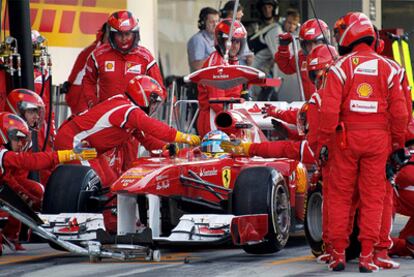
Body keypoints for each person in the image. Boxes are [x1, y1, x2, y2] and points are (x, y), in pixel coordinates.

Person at [317, 12, 408, 273]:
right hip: (379, 142)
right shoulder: (392, 68)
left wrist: (324, 141)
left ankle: (337, 254)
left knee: (339, 197)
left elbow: (329, 111)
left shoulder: (339, 66)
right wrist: (398, 145)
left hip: (344, 140)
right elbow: (401, 113)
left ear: (350, 33)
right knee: (374, 198)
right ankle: (367, 256)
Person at [55, 75, 200, 187]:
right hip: (74, 142)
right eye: (153, 102)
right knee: (92, 184)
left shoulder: (127, 107)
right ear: (144, 96)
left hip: (89, 147)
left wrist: (163, 147)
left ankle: (111, 223)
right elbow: (151, 126)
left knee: (110, 184)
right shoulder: (128, 110)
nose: (154, 107)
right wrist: (183, 137)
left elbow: (145, 138)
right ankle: (86, 222)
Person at [0, 112, 96, 255]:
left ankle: (10, 236)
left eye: (23, 140)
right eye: (17, 139)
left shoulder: (6, 155)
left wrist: (36, 203)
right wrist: (71, 154)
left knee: (35, 190)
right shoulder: (3, 154)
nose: (21, 144)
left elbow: (11, 185)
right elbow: (31, 161)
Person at [82, 10, 165, 108]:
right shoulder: (98, 55)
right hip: (106, 115)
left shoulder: (146, 57)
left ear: (135, 34)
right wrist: (93, 103)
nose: (124, 38)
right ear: (112, 34)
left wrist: (148, 109)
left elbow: (160, 90)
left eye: (127, 34)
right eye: (119, 34)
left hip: (135, 116)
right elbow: (88, 81)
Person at [196, 19, 248, 137]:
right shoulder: (215, 64)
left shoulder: (232, 61)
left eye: (238, 42)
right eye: (231, 41)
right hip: (215, 120)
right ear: (221, 41)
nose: (235, 46)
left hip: (231, 117)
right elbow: (217, 102)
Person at [274, 18, 330, 100]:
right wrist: (283, 47)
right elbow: (286, 68)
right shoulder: (301, 57)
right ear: (303, 45)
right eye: (308, 44)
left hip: (329, 104)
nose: (312, 47)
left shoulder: (334, 58)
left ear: (325, 41)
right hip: (308, 104)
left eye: (316, 42)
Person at [62, 22, 108, 114]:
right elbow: (79, 76)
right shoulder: (95, 52)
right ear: (103, 34)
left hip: (84, 95)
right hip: (82, 96)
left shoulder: (96, 50)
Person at [249, 0, 282, 100]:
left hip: (263, 76)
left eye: (269, 7)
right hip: (252, 75)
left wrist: (276, 85)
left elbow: (278, 57)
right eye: (264, 7)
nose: (267, 10)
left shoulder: (275, 29)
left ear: (274, 9)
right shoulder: (257, 28)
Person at [220, 1, 254, 66]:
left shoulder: (240, 31)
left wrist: (250, 57)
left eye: (239, 19)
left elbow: (245, 53)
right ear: (224, 17)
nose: (237, 22)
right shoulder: (218, 32)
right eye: (235, 19)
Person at [187, 7, 220, 72]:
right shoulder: (198, 39)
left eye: (217, 21)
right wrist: (217, 59)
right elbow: (197, 65)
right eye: (211, 22)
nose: (215, 25)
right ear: (203, 23)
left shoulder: (216, 38)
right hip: (203, 80)